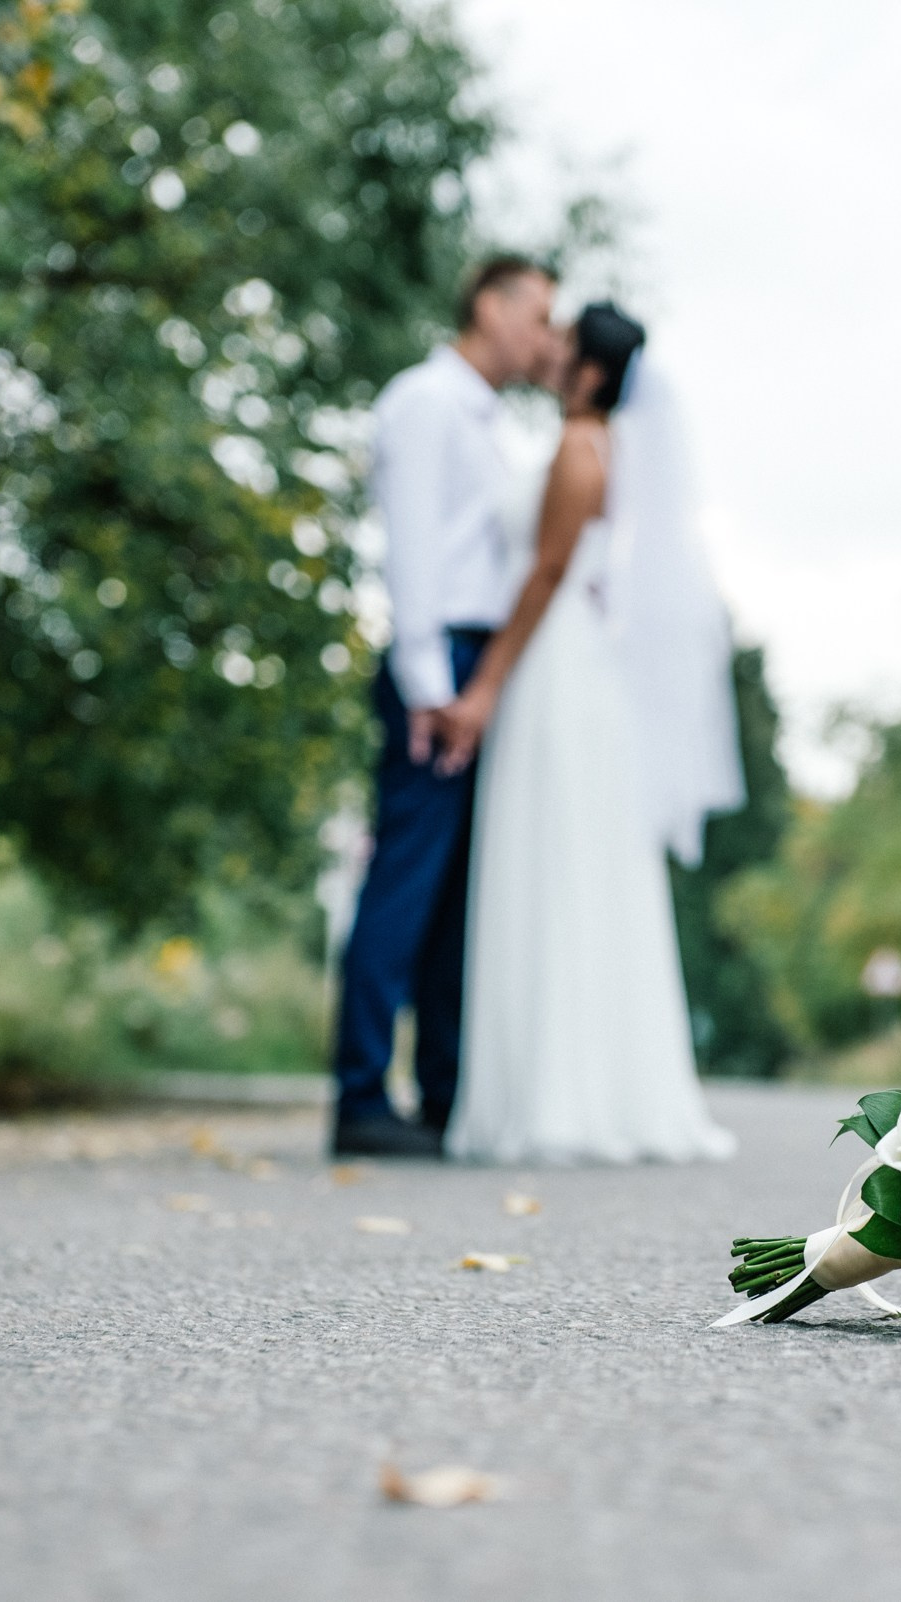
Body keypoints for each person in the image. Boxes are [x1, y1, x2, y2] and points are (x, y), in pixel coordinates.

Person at [433, 302, 742, 1165]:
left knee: (553, 864)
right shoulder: (597, 446)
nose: (550, 349)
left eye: (564, 343)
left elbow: (548, 571)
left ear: (593, 372)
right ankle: (581, 1088)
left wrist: (487, 680)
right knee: (572, 865)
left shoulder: (578, 448)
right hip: (577, 667)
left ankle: (557, 1100)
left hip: (555, 670)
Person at [328, 255, 561, 1158]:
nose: (544, 338)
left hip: (477, 661)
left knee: (456, 892)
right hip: (443, 660)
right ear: (487, 305)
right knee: (406, 878)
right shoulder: (427, 402)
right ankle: (359, 1094)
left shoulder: (487, 419)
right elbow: (413, 550)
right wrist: (434, 687)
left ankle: (439, 1090)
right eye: (536, 316)